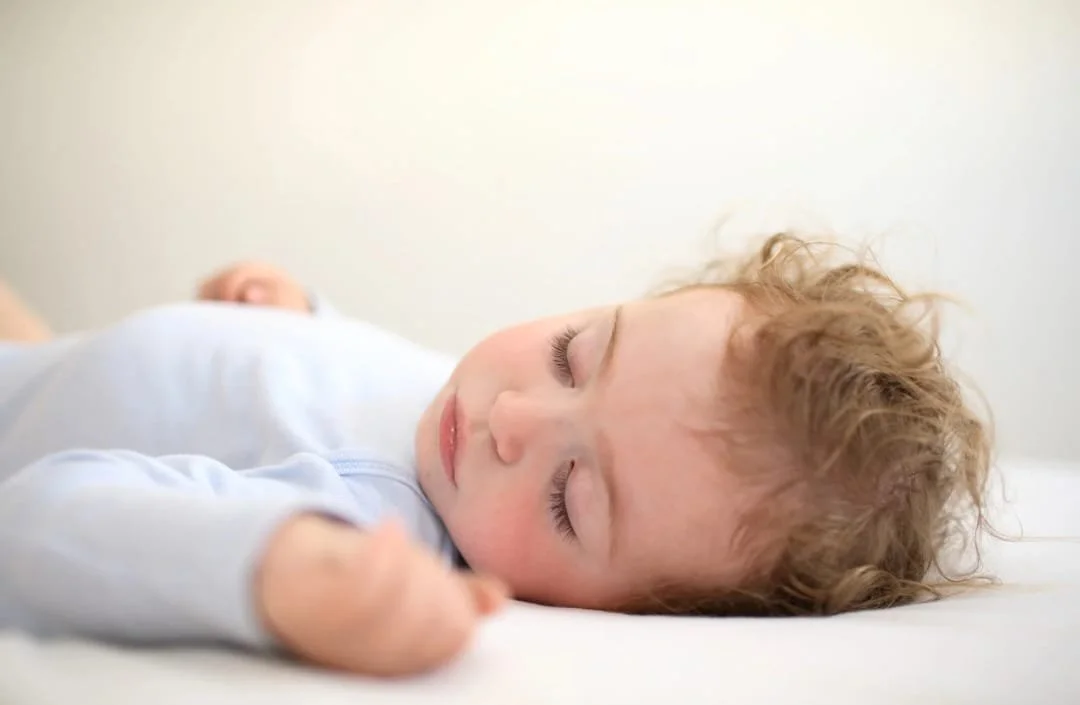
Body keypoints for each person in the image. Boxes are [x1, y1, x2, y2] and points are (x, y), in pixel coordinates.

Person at [0, 235, 991, 676]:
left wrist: (273, 568)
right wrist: (300, 319)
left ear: (632, 612)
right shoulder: (464, 414)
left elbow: (42, 518)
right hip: (49, 362)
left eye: (571, 495)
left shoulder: (375, 518)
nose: (514, 418)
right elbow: (367, 379)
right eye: (573, 353)